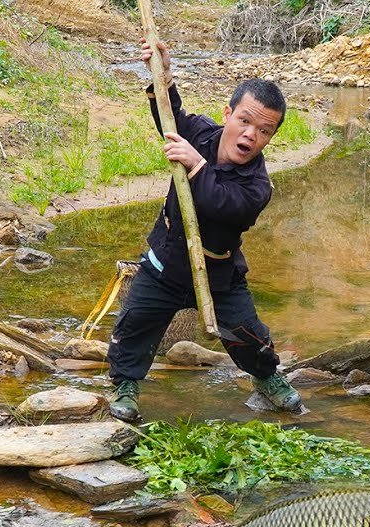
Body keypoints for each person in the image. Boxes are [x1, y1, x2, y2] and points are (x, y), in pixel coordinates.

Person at [105, 40, 302, 422]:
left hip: (219, 274)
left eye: (263, 130)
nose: (249, 135)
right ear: (227, 113)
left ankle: (267, 378)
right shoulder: (201, 134)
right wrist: (161, 76)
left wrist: (196, 167)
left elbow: (223, 205)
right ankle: (125, 385)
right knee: (135, 324)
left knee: (248, 334)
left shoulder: (257, 186)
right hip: (166, 263)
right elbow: (169, 116)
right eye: (244, 120)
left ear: (271, 137)